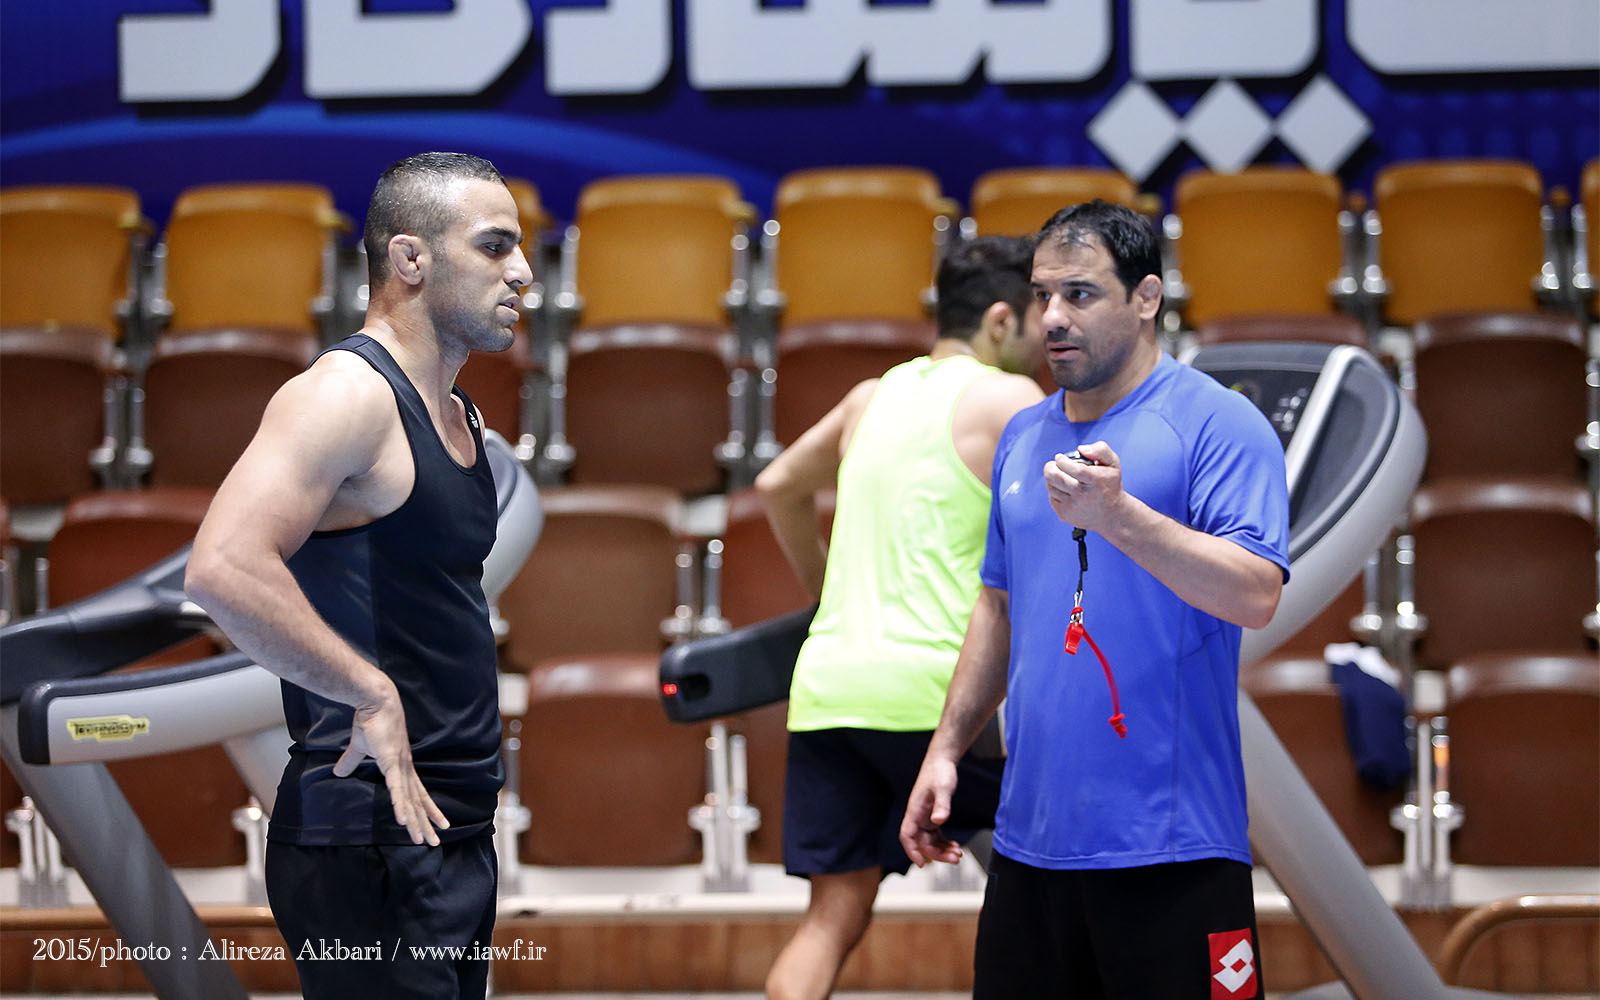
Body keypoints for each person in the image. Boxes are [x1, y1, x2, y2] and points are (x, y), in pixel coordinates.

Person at [900, 200, 1290, 1000]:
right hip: (1030, 847)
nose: (1052, 317)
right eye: (1043, 295)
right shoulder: (1023, 434)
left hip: (1171, 849)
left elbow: (1255, 594)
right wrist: (945, 750)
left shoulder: (1219, 424)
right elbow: (997, 608)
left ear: (1146, 298)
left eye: (1079, 294)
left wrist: (1119, 517)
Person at [184, 151, 532, 999]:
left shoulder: (460, 415)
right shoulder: (345, 396)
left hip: (450, 823)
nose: (524, 271)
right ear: (410, 258)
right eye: (494, 246)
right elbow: (222, 566)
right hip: (366, 833)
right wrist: (368, 692)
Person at [754, 235, 1048, 1000]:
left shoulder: (870, 396)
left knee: (832, 917)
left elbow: (778, 484)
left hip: (832, 690)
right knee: (1047, 906)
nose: (1050, 334)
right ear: (1000, 320)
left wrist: (827, 591)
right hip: (942, 697)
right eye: (1039, 315)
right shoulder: (1009, 398)